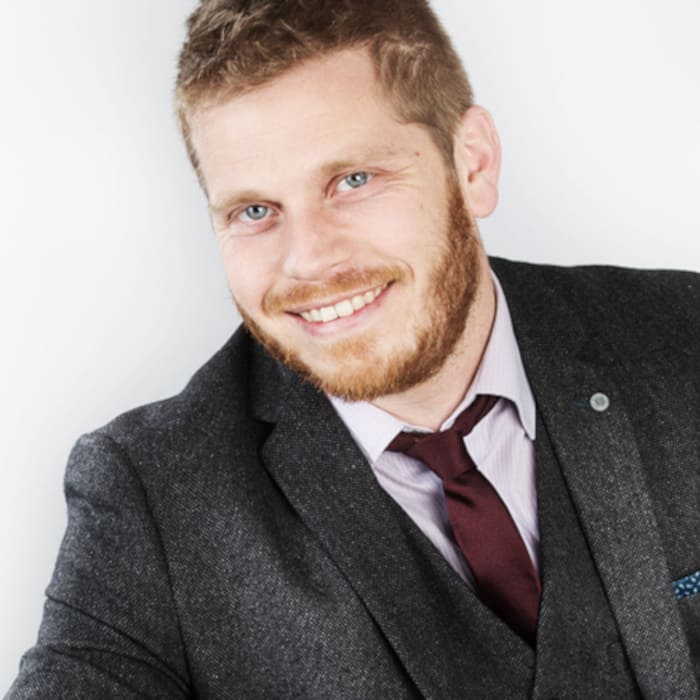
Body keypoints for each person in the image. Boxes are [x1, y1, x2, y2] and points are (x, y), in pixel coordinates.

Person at [7, 0, 700, 697]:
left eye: (353, 181)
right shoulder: (148, 492)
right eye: (254, 211)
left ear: (474, 165)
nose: (307, 262)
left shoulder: (685, 337)